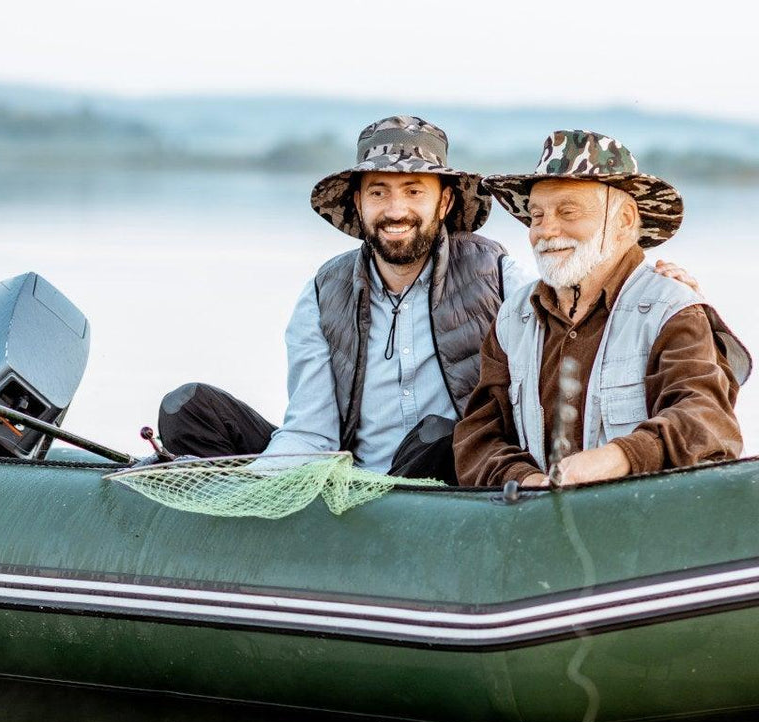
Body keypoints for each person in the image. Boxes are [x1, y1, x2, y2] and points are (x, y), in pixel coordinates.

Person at [157, 116, 704, 483]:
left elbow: (570, 318)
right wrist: (258, 487)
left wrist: (649, 290)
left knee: (442, 435)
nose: (396, 210)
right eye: (379, 192)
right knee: (189, 408)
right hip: (341, 472)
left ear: (444, 203)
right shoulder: (324, 292)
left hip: (448, 471)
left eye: (414, 191)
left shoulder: (497, 272)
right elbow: (310, 429)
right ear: (359, 205)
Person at [453, 130, 751, 488]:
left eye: (568, 211)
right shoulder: (513, 316)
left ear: (624, 220)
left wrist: (617, 458)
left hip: (643, 528)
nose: (546, 231)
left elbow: (706, 421)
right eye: (536, 216)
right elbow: (478, 436)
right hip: (538, 523)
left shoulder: (673, 308)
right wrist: (525, 479)